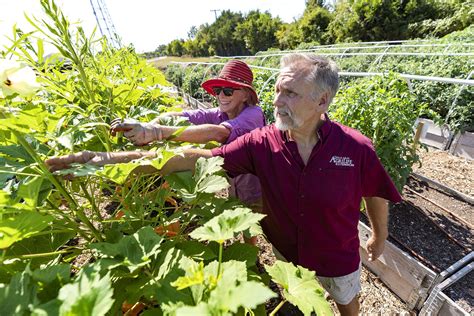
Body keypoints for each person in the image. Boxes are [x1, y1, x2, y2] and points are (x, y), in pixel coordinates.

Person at [46, 53, 402, 316]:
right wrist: (106, 161)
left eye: (291, 93)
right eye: (278, 90)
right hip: (285, 251)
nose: (277, 101)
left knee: (346, 302)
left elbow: (373, 190)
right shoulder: (261, 143)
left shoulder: (355, 148)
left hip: (336, 254)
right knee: (299, 301)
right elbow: (198, 158)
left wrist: (379, 234)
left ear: (322, 101)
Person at [110, 59, 265, 206]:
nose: (221, 96)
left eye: (228, 91)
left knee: (265, 226)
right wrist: (150, 124)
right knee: (245, 225)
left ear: (246, 94)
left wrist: (156, 133)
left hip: (259, 190)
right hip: (235, 185)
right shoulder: (221, 113)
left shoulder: (254, 114)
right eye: (218, 90)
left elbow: (218, 133)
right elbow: (185, 115)